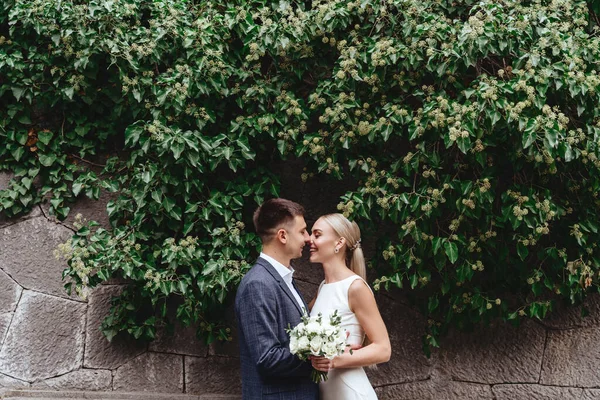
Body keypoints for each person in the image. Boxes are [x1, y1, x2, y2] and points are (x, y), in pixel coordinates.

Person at [235, 198, 319, 399]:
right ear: (282, 235)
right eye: (302, 231)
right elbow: (267, 359)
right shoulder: (258, 284)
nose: (307, 238)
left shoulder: (283, 279)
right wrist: (315, 356)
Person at [308, 213, 391, 400]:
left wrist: (336, 359)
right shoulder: (323, 288)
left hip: (350, 393)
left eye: (317, 234)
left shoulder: (355, 287)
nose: (309, 240)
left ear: (339, 243)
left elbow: (383, 349)